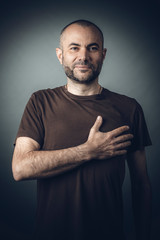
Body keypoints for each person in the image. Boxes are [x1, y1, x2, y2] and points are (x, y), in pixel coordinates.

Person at [12, 19, 152, 240]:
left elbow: (141, 184)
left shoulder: (129, 108)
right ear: (60, 55)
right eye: (74, 48)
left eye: (92, 48)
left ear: (103, 54)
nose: (83, 56)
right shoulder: (40, 102)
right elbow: (20, 168)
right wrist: (88, 151)